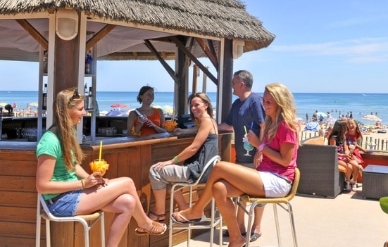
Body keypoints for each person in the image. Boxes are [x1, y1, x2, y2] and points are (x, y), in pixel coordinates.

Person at [173, 84, 299, 247]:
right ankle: (236, 238)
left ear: (280, 103)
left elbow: (285, 161)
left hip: (279, 181)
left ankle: (196, 210)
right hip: (265, 176)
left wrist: (259, 146)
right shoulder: (271, 123)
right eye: (264, 101)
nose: (265, 105)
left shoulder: (286, 126)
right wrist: (259, 147)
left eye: (270, 102)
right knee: (219, 188)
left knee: (220, 167)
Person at [36, 87, 166, 244]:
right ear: (66, 111)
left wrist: (92, 178)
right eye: (81, 109)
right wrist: (83, 183)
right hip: (59, 202)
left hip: (73, 194)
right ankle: (144, 223)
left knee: (128, 202)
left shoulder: (65, 134)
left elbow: (73, 165)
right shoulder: (50, 141)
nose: (85, 112)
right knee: (128, 182)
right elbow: (42, 186)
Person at [147, 93, 220, 222]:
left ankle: (159, 212)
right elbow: (199, 131)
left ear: (206, 105)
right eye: (191, 105)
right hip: (205, 171)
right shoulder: (210, 121)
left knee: (155, 170)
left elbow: (193, 148)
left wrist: (171, 161)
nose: (193, 108)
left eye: (196, 105)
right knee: (166, 179)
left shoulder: (206, 121)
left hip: (197, 171)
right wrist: (184, 131)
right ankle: (185, 208)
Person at [218, 69, 266, 240]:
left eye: (233, 82)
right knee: (240, 192)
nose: (231, 85)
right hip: (241, 155)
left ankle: (257, 227)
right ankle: (240, 227)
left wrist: (260, 151)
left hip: (256, 156)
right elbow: (228, 125)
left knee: (258, 192)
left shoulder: (255, 101)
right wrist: (210, 127)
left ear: (242, 84)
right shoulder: (237, 104)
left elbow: (263, 125)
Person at [327, 119, 357, 191]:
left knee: (355, 165)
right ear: (341, 128)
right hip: (335, 158)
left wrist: (347, 152)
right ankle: (347, 182)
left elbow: (345, 147)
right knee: (349, 167)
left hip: (343, 156)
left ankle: (350, 182)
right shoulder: (333, 138)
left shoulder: (343, 136)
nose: (347, 128)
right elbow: (332, 152)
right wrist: (343, 155)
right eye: (345, 127)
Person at [343, 117, 366, 187]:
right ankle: (354, 182)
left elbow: (355, 145)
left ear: (356, 125)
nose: (350, 125)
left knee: (360, 167)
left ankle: (354, 182)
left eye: (352, 124)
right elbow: (346, 146)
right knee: (359, 167)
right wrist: (349, 153)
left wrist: (364, 150)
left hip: (355, 152)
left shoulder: (357, 133)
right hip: (349, 153)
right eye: (349, 124)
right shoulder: (345, 134)